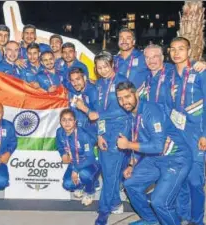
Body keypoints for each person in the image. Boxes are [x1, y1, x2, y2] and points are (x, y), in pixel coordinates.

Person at [116, 81, 192, 225]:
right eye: (120, 98)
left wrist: (128, 145)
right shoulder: (133, 114)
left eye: (127, 97)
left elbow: (157, 146)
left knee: (160, 202)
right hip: (155, 159)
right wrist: (132, 164)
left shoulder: (151, 111)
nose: (124, 102)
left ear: (136, 94)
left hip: (176, 158)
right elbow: (142, 141)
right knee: (130, 183)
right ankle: (152, 221)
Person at [84, 51, 130, 225]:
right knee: (110, 170)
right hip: (105, 130)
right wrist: (100, 134)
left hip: (120, 130)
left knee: (110, 174)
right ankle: (116, 202)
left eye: (105, 66)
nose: (102, 70)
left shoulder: (122, 82)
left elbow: (126, 107)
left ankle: (103, 211)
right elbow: (100, 113)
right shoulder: (100, 85)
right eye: (99, 67)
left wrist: (98, 114)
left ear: (112, 65)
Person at [169, 37, 206, 225]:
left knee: (195, 180)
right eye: (173, 49)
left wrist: (204, 134)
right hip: (177, 134)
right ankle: (183, 214)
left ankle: (197, 220)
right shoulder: (170, 74)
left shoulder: (200, 71)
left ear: (189, 51)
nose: (177, 53)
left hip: (196, 134)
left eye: (181, 49)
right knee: (180, 177)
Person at [56, 109, 100, 206]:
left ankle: (90, 191)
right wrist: (63, 153)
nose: (67, 123)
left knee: (84, 174)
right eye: (64, 120)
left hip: (90, 163)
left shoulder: (83, 135)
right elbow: (59, 145)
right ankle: (82, 185)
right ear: (60, 121)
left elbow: (90, 157)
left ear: (75, 121)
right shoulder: (59, 132)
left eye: (70, 119)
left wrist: (75, 170)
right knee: (67, 185)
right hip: (74, 162)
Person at [114, 28, 150, 98]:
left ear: (133, 42)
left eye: (128, 38)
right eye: (121, 38)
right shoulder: (114, 60)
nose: (124, 41)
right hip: (119, 100)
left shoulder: (144, 57)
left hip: (139, 101)